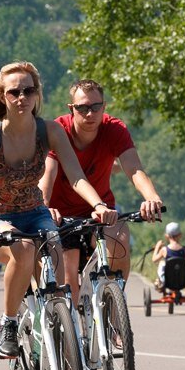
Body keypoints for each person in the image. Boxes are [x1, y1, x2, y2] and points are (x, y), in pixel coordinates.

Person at [0, 61, 115, 360]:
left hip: (35, 213)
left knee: (57, 286)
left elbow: (76, 176)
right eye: (14, 92)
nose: (22, 97)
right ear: (2, 97)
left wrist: (98, 204)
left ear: (37, 95)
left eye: (28, 90)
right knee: (22, 250)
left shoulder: (48, 131)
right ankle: (8, 324)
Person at [40, 79, 164, 299]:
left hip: (101, 210)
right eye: (83, 107)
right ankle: (75, 327)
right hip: (62, 215)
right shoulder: (59, 131)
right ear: (72, 109)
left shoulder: (114, 129)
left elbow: (134, 169)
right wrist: (45, 207)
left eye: (96, 107)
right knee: (69, 277)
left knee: (120, 241)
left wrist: (151, 197)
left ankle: (114, 308)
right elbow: (46, 178)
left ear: (104, 107)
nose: (90, 114)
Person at [152, 221, 185, 295]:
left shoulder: (164, 250)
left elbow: (154, 260)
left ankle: (161, 284)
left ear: (167, 236)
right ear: (180, 235)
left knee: (162, 263)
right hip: (182, 280)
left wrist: (157, 247)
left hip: (168, 280)